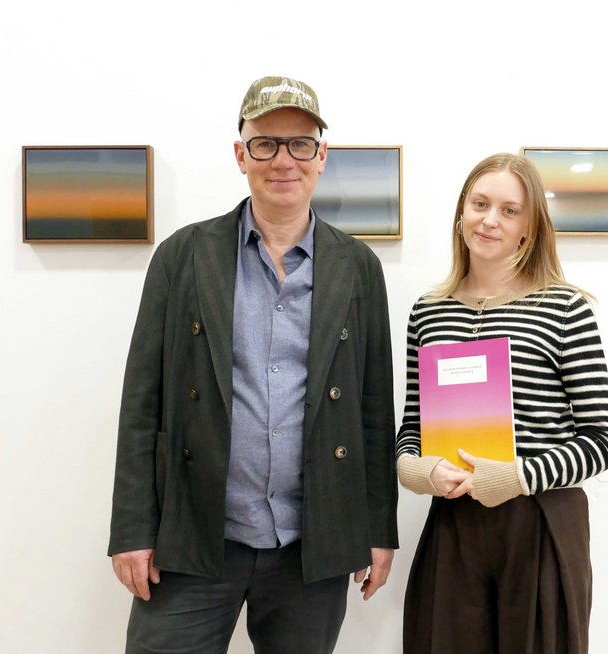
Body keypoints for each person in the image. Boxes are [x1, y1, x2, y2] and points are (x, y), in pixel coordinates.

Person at [108, 75, 398, 654]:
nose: (282, 159)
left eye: (298, 143)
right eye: (265, 143)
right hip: (194, 535)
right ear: (241, 155)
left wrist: (375, 529)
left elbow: (372, 407)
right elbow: (143, 400)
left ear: (321, 156)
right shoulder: (183, 256)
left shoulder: (358, 266)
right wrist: (132, 530)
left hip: (310, 541)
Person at [395, 153, 608, 653]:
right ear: (461, 214)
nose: (489, 220)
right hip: (454, 525)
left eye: (509, 210)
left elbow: (604, 441)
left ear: (530, 227)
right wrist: (417, 470)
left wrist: (517, 476)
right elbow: (412, 425)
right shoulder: (429, 313)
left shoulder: (565, 308)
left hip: (539, 524)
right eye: (479, 204)